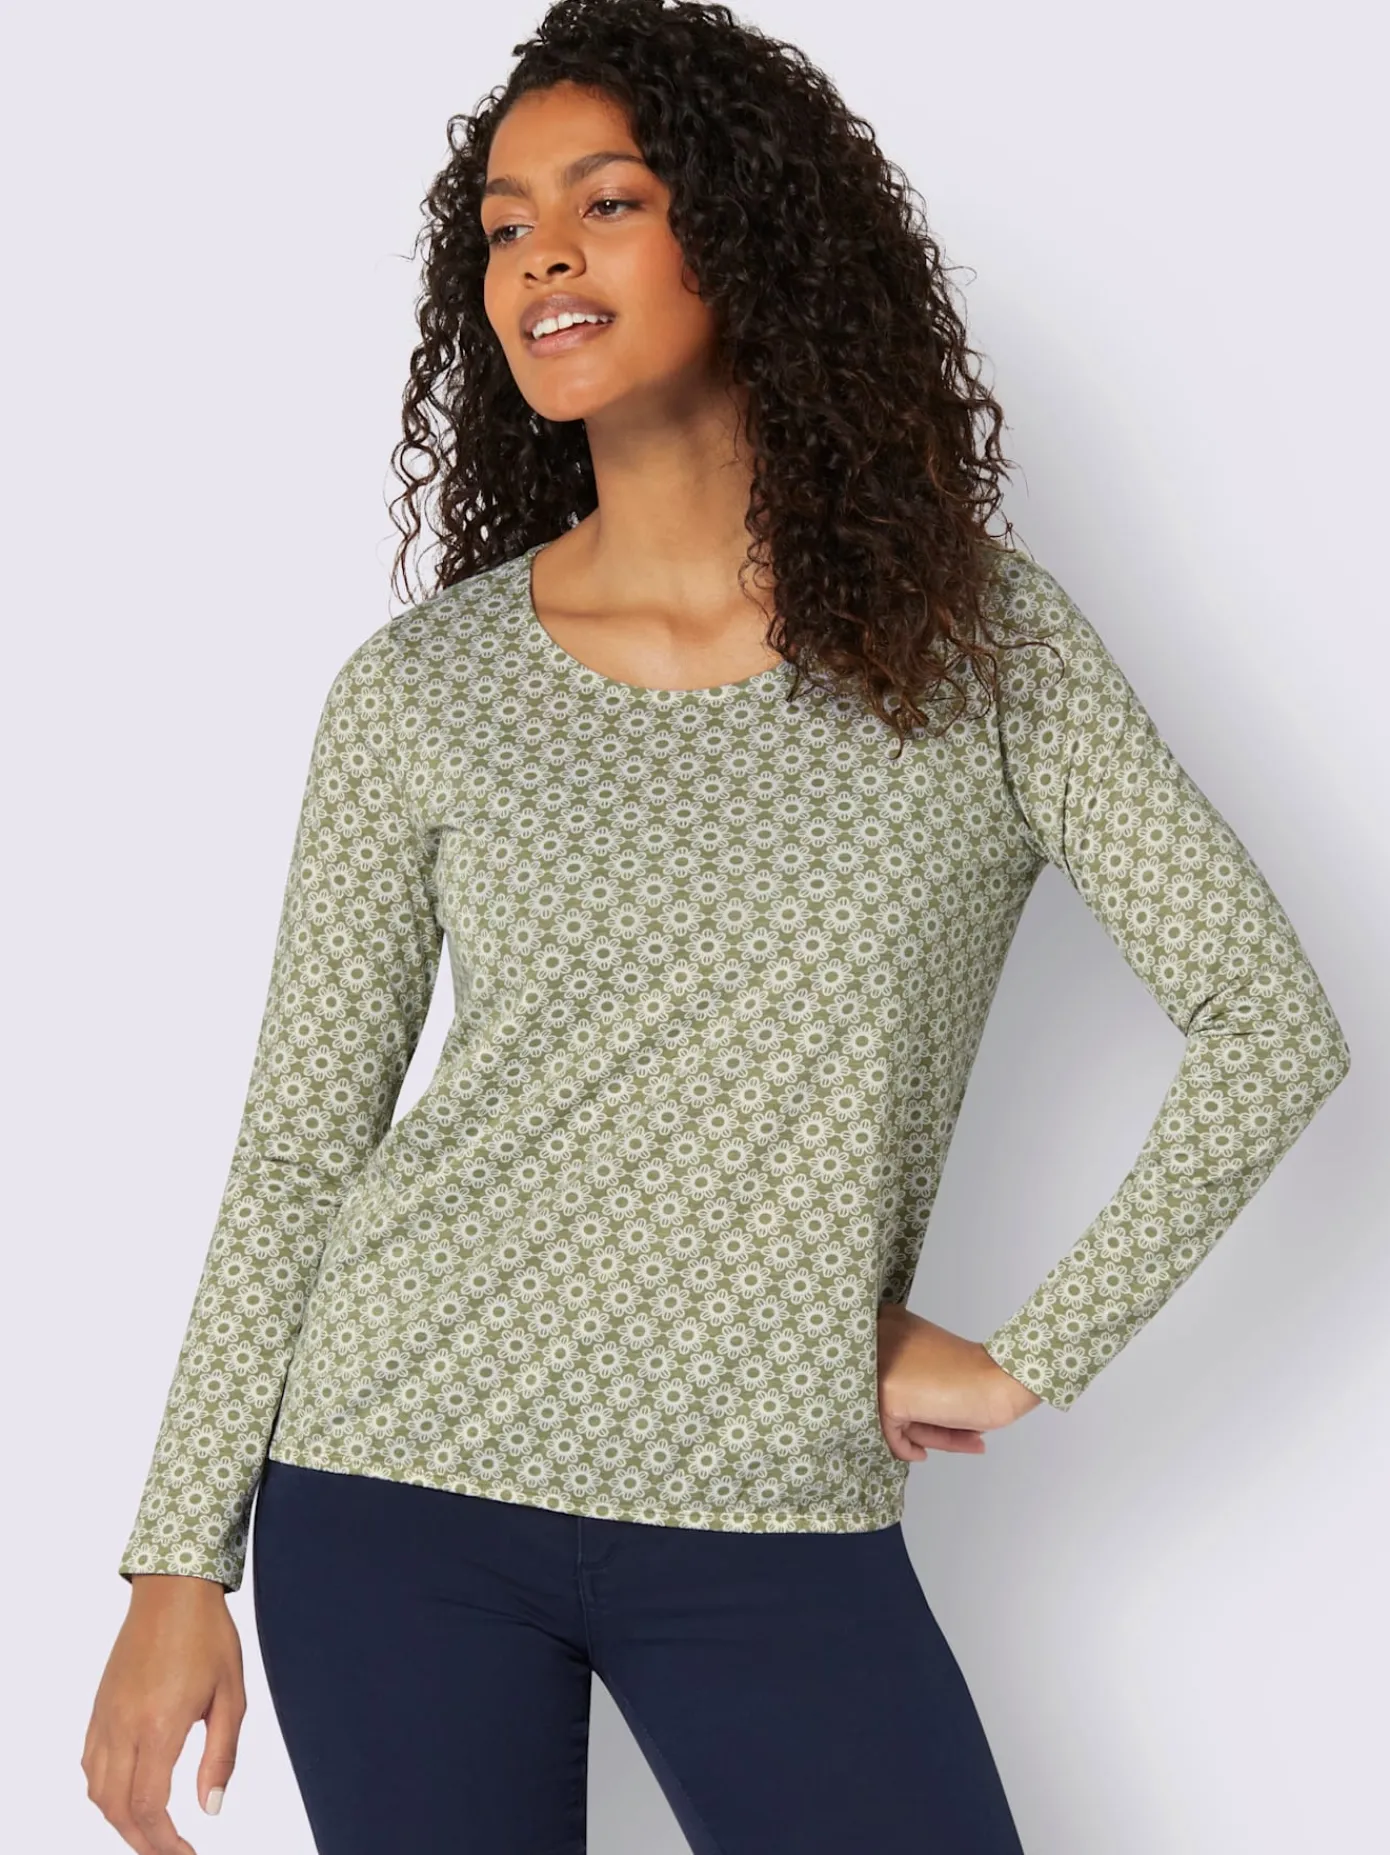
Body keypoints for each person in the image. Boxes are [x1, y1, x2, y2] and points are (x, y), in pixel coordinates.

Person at [83, 2, 1351, 1851]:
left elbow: (1266, 1018)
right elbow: (299, 1144)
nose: (541, 258)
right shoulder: (424, 689)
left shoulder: (976, 649)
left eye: (606, 201)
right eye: (505, 225)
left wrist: (1034, 1348)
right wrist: (174, 1559)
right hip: (394, 1481)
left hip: (772, 1506)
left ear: (748, 239)